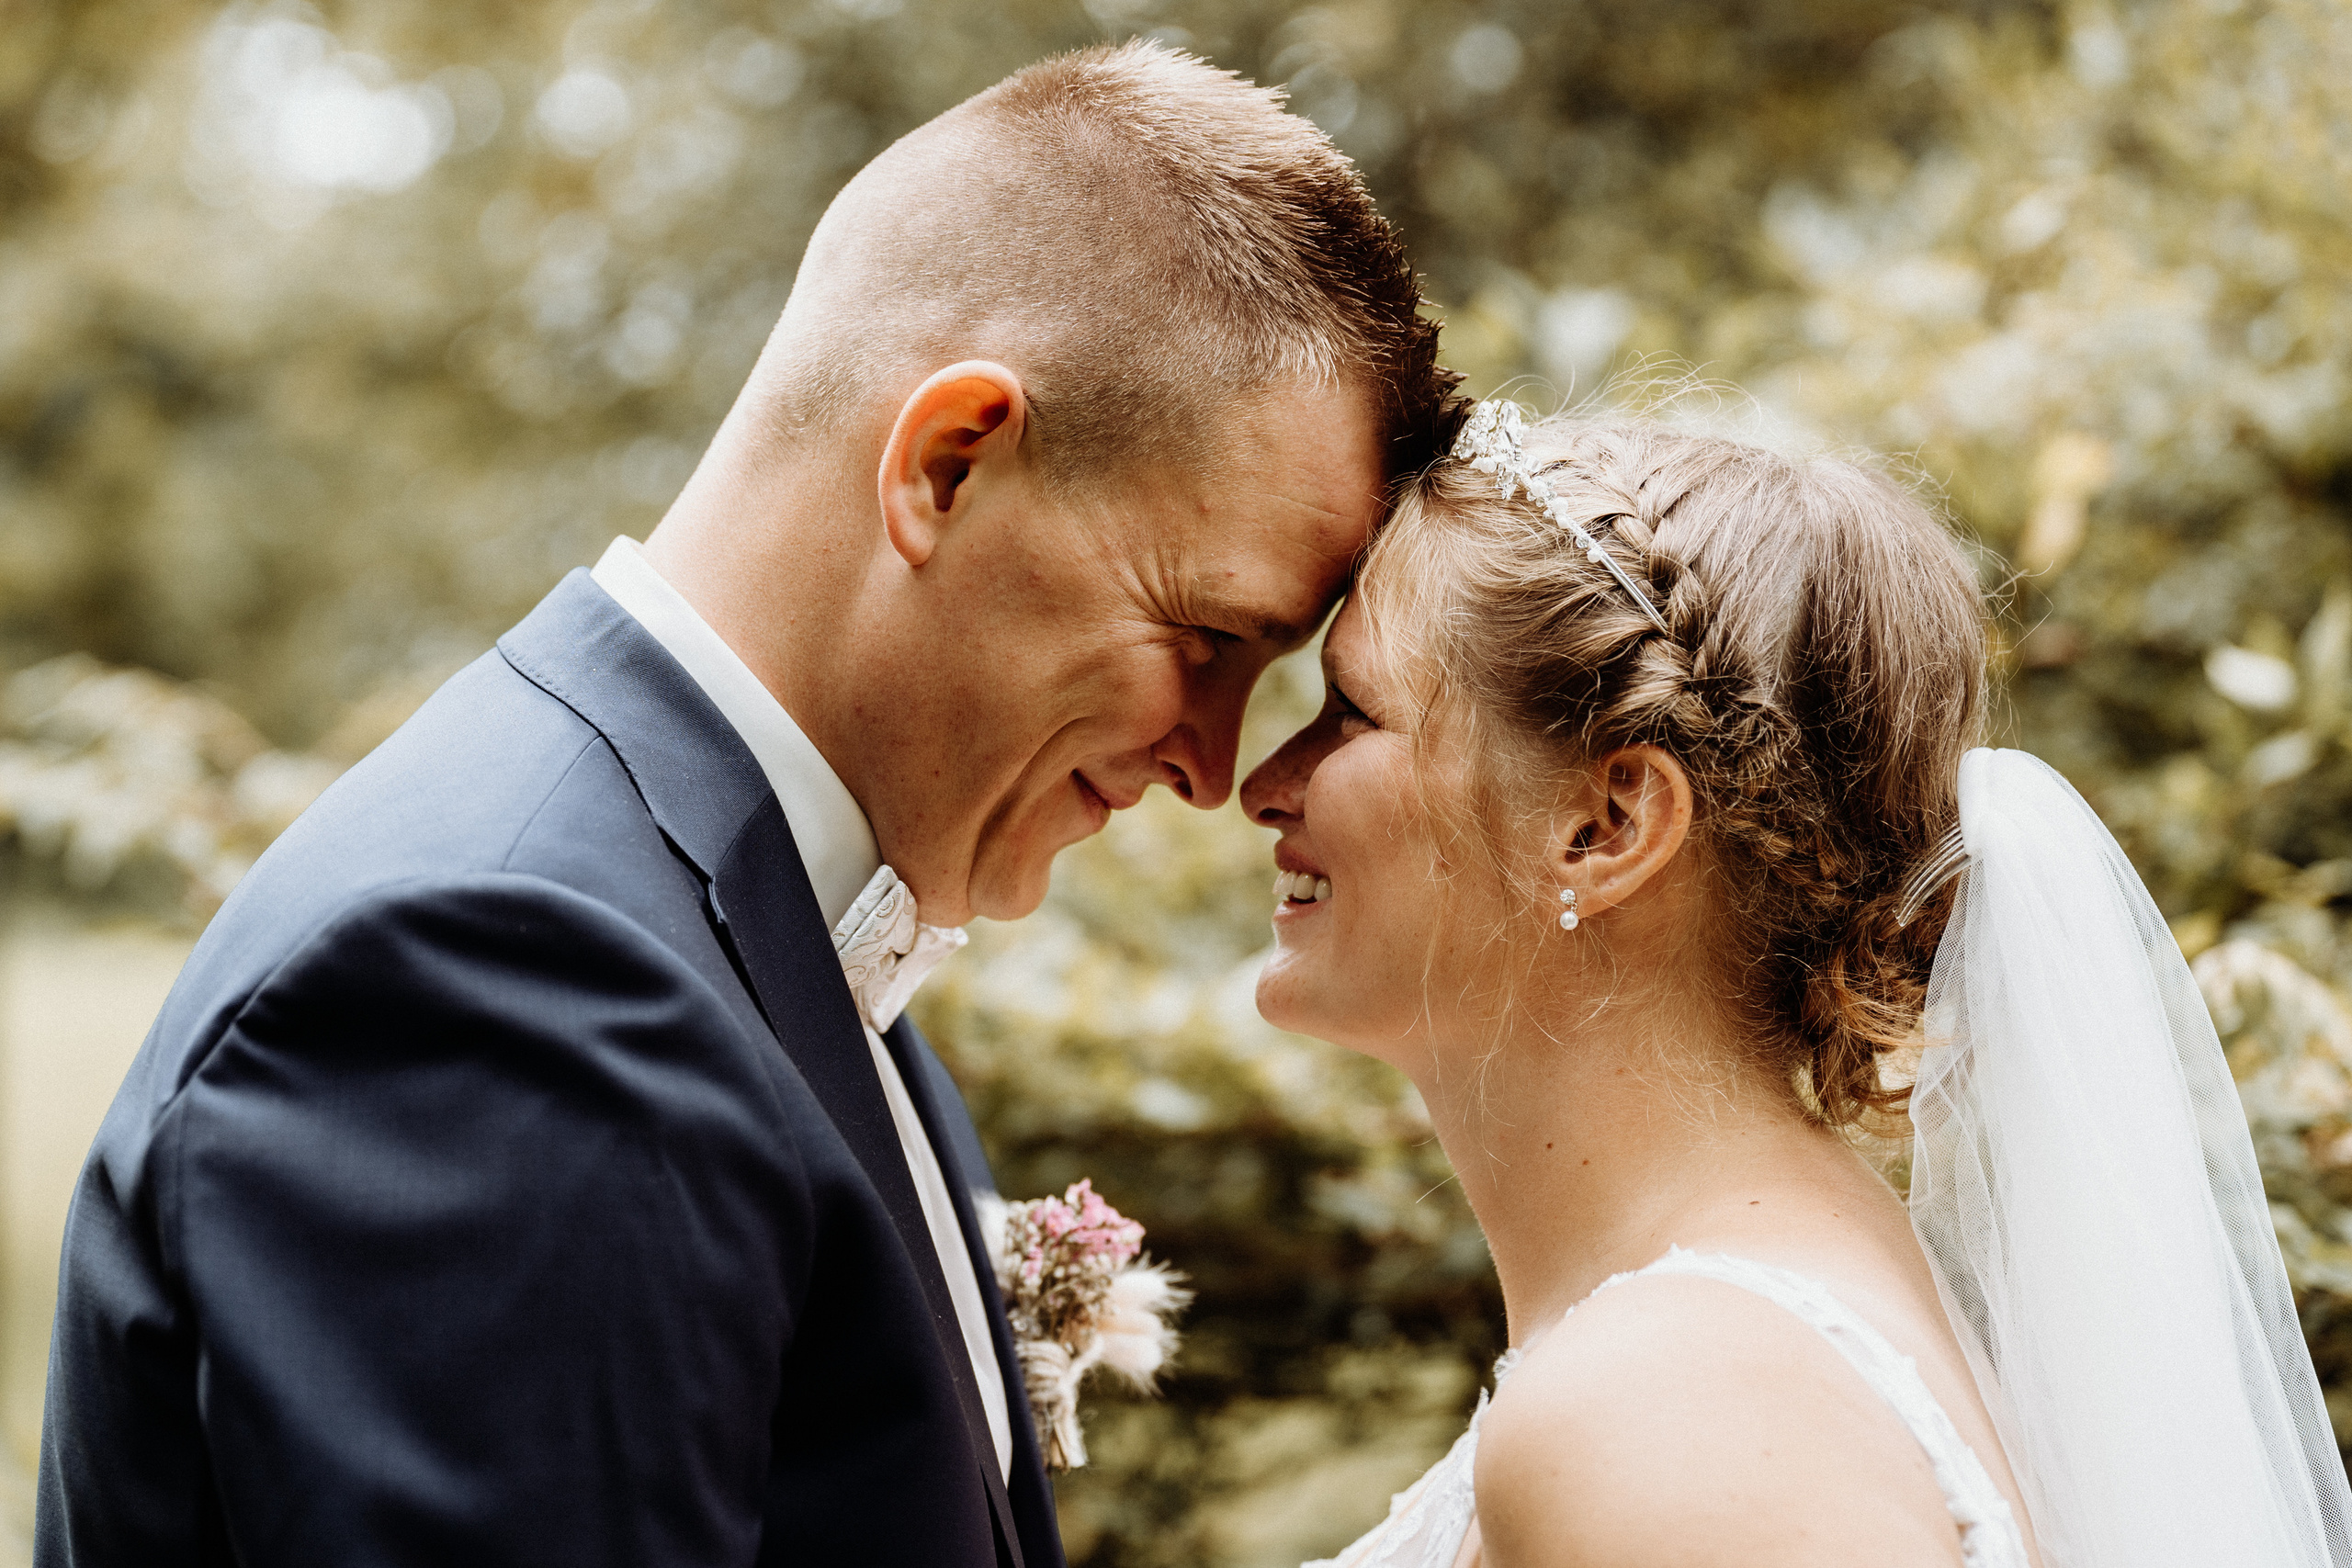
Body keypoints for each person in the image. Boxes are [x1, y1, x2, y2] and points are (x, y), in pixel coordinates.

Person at [36, 41, 1453, 1566]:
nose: (1212, 764)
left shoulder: (744, 915)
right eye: (1206, 638)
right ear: (949, 465)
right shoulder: (504, 984)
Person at [1243, 402, 2352, 1567]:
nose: (1262, 785)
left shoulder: (1670, 1412)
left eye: (1352, 712)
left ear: (1608, 823)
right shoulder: (1727, 1353)